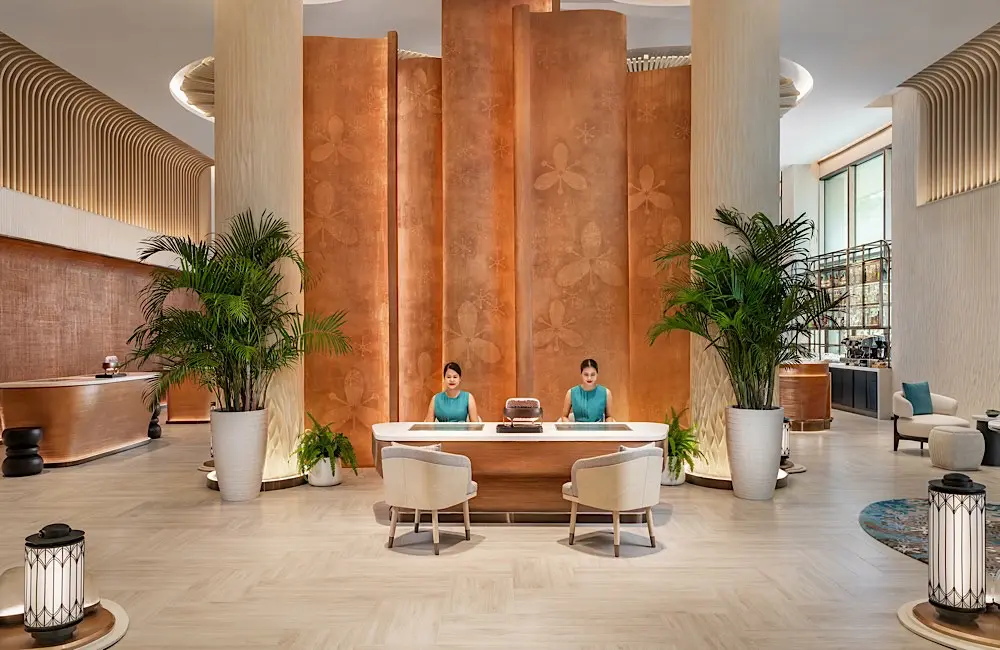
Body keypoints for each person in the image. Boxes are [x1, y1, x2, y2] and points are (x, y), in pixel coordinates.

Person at [559, 358, 615, 423]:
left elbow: (609, 416)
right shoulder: (571, 393)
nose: (589, 378)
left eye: (592, 374)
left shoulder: (606, 393)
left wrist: (609, 429)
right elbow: (564, 416)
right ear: (581, 374)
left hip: (599, 431)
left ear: (597, 374)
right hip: (577, 431)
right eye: (586, 374)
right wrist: (569, 427)